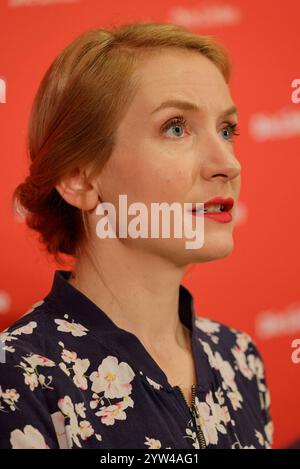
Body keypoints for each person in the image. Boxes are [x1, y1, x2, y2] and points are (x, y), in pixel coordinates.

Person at [0, 21, 273, 449]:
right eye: (176, 127)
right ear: (79, 178)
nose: (228, 164)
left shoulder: (238, 357)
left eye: (226, 130)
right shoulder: (19, 375)